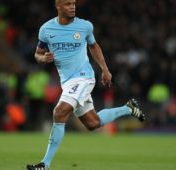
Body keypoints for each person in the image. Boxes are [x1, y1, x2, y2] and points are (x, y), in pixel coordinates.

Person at [26, 0, 145, 169]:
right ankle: (129, 108)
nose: (72, 6)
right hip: (67, 82)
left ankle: (44, 164)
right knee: (93, 123)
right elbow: (37, 54)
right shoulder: (46, 30)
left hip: (84, 77)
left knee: (59, 112)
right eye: (67, 4)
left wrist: (105, 69)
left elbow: (94, 46)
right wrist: (42, 58)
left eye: (73, 3)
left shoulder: (85, 26)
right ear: (58, 6)